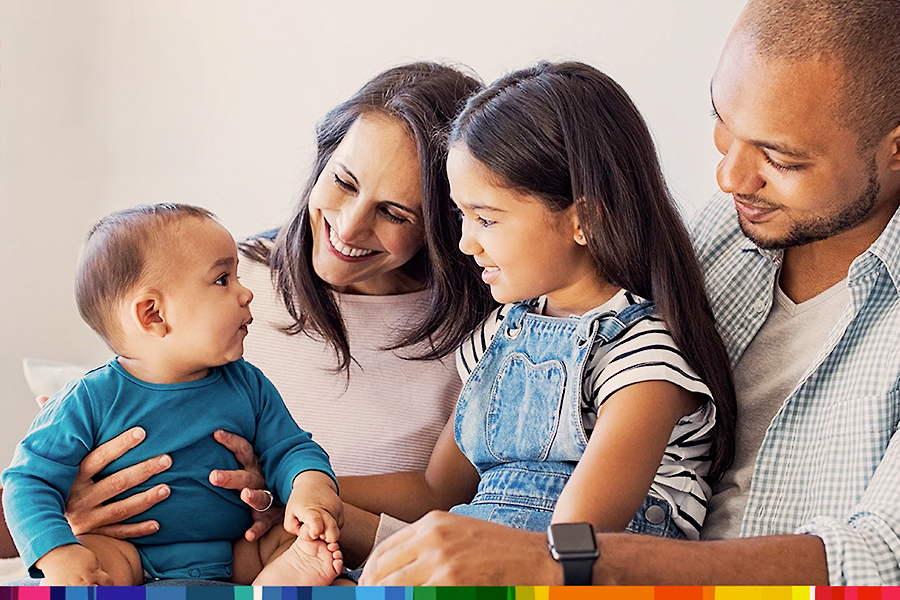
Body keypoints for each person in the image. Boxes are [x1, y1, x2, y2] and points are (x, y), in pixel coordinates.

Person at [358, 0, 900, 586]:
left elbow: (882, 558)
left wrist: (563, 559)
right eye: (722, 125)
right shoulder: (723, 233)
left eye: (781, 158)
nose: (729, 179)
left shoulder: (644, 351)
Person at [13, 62, 495, 579]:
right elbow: (70, 454)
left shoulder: (485, 333)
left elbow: (444, 507)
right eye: (344, 181)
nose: (349, 226)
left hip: (306, 549)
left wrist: (288, 492)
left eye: (396, 213)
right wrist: (65, 522)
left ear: (450, 222)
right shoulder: (207, 283)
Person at [337, 61, 737, 551]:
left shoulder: (643, 359)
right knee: (280, 538)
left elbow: (572, 545)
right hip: (477, 555)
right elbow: (436, 492)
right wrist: (305, 486)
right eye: (461, 214)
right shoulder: (498, 335)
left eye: (485, 219)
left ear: (584, 218)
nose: (465, 243)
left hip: (558, 571)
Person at [2, 204, 343, 586]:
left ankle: (279, 578)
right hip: (132, 556)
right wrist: (59, 553)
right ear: (153, 314)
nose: (246, 293)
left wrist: (310, 487)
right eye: (222, 279)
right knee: (91, 563)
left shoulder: (248, 384)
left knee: (290, 540)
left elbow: (291, 448)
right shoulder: (88, 399)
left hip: (237, 548)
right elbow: (27, 481)